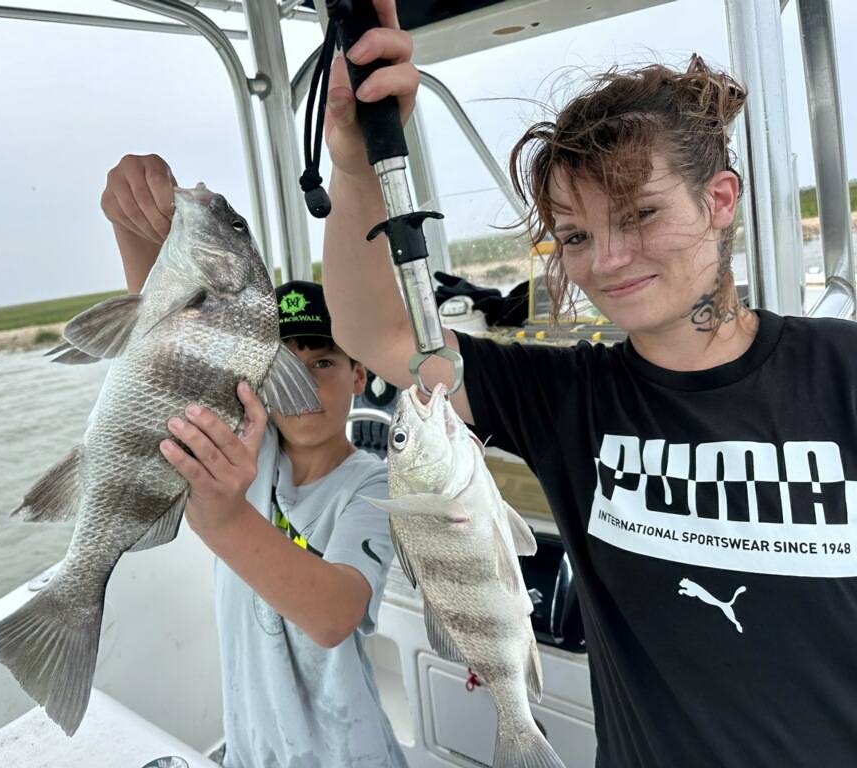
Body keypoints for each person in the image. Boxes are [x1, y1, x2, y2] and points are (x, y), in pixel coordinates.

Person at [318, 2, 857, 767]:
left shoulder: (842, 371)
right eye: (574, 236)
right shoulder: (567, 396)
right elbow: (378, 337)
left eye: (639, 215)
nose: (605, 260)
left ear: (719, 200)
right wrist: (353, 164)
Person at [100, 154, 408, 768]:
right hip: (250, 751)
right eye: (282, 364)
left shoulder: (375, 488)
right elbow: (168, 330)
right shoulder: (249, 449)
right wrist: (133, 221)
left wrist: (223, 519)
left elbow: (333, 615)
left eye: (322, 361)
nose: (304, 383)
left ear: (358, 374)